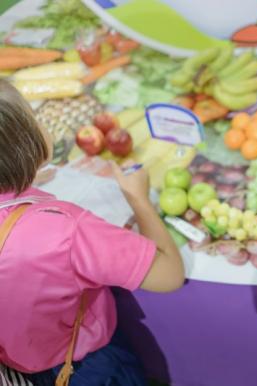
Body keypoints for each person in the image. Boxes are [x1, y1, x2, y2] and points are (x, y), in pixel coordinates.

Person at [0, 79, 185, 384]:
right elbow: (169, 275)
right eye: (34, 118)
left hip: (23, 363)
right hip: (86, 367)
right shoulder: (66, 231)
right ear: (25, 143)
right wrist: (138, 197)